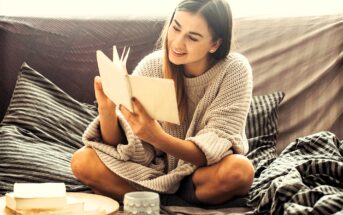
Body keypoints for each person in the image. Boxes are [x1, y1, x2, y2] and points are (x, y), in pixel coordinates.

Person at [71, 0, 254, 205]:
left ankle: (149, 200)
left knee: (240, 171)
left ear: (215, 44)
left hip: (200, 175)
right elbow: (127, 148)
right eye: (175, 28)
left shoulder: (234, 70)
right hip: (151, 172)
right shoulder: (152, 66)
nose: (177, 43)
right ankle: (167, 202)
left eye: (192, 38)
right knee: (82, 161)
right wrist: (107, 111)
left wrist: (157, 137)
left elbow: (213, 151)